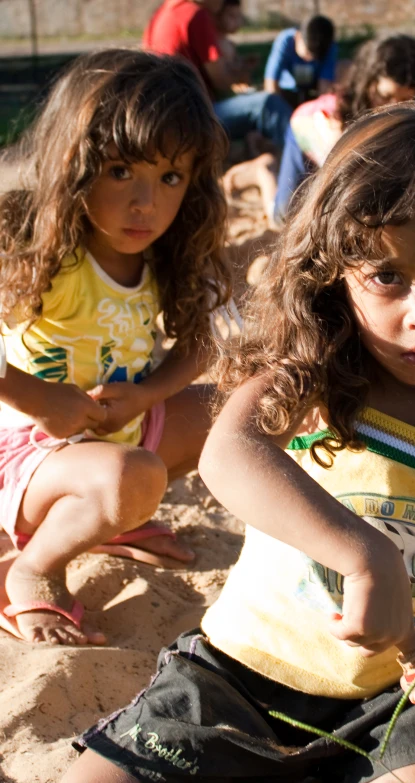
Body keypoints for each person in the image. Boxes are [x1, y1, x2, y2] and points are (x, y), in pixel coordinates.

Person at [64, 102, 415, 782]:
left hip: (396, 696)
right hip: (238, 675)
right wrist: (366, 554)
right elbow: (228, 450)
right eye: (389, 277)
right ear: (335, 265)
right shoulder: (315, 370)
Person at [0, 49, 232, 646]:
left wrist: (147, 394)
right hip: (31, 456)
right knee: (133, 475)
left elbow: (205, 341)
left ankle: (110, 520)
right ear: (73, 162)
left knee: (242, 406)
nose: (145, 203)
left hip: (122, 433)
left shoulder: (164, 253)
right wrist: (36, 397)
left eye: (170, 177)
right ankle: (35, 569)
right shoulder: (34, 247)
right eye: (121, 170)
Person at [225, 35, 415, 226]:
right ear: (368, 82)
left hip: (341, 156)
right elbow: (345, 182)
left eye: (407, 100)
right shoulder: (334, 119)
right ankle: (265, 171)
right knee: (285, 217)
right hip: (306, 135)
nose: (394, 107)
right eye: (386, 96)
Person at [143, 0, 291, 148]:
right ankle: (300, 161)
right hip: (192, 118)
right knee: (268, 104)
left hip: (162, 117)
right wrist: (242, 74)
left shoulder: (162, 11)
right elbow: (221, 81)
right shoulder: (196, 14)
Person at [264, 15, 336, 109]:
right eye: (307, 54)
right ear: (298, 37)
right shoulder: (285, 40)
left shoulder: (329, 47)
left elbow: (324, 86)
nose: (309, 61)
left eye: (314, 58)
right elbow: (271, 83)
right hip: (286, 92)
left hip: (313, 91)